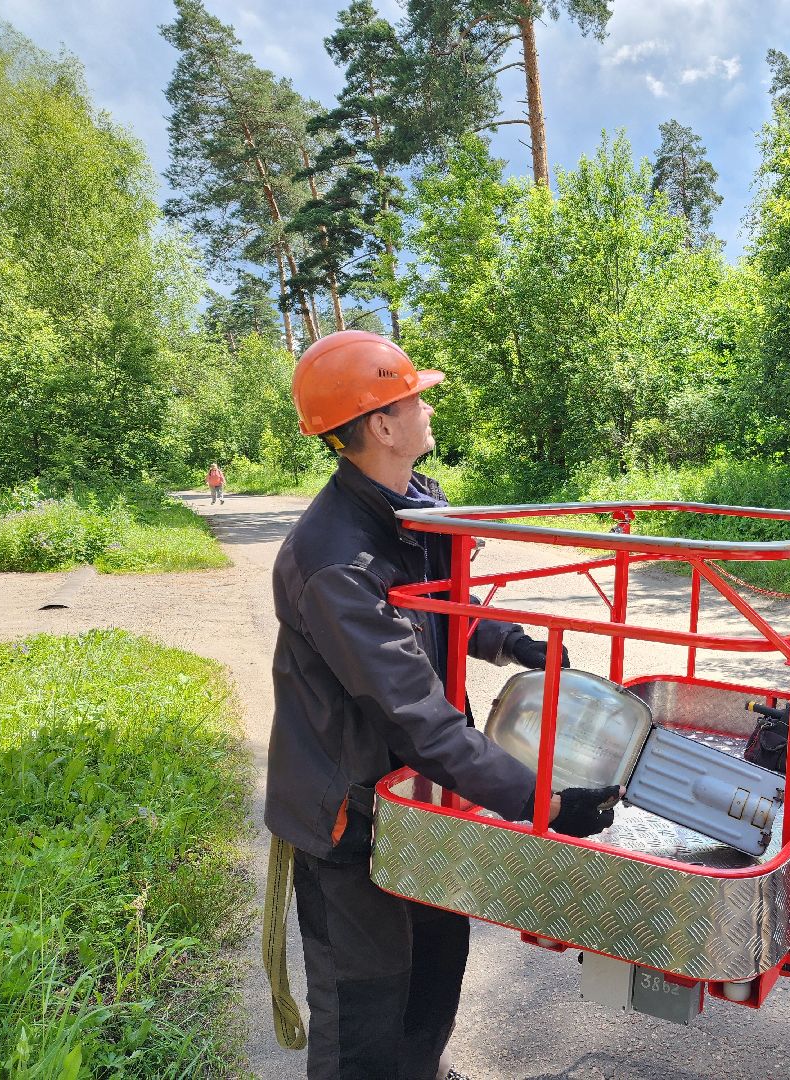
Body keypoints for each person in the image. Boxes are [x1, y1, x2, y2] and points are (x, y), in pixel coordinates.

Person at [263, 329, 620, 1080]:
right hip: (350, 815)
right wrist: (542, 802)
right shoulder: (334, 559)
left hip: (422, 799)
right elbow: (416, 716)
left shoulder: (416, 507)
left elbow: (440, 608)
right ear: (383, 427)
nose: (427, 405)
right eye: (412, 396)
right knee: (364, 1007)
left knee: (434, 967)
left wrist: (509, 643)